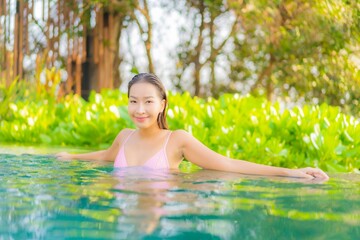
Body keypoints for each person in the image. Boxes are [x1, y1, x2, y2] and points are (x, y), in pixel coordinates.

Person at [56, 73, 329, 180]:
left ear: (162, 104)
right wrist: (70, 157)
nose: (139, 109)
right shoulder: (124, 137)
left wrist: (289, 172)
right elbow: (105, 156)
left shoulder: (176, 140)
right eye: (133, 101)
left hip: (161, 218)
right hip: (123, 216)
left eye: (148, 101)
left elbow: (227, 164)